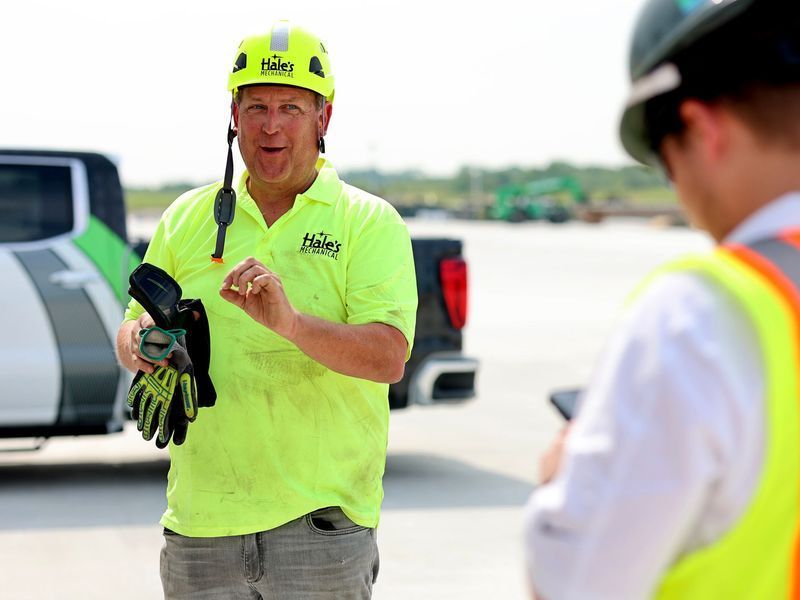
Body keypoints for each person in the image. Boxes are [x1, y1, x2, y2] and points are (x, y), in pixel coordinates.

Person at [115, 21, 417, 599]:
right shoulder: (185, 218)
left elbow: (388, 357)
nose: (270, 125)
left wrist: (293, 326)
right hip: (201, 530)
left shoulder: (368, 223)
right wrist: (147, 344)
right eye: (255, 107)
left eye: (290, 107)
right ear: (234, 114)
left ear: (323, 117)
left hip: (320, 531)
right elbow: (129, 332)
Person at [524, 0, 800, 598]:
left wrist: (560, 484)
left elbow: (575, 585)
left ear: (702, 129)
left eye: (663, 161)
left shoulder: (702, 317)